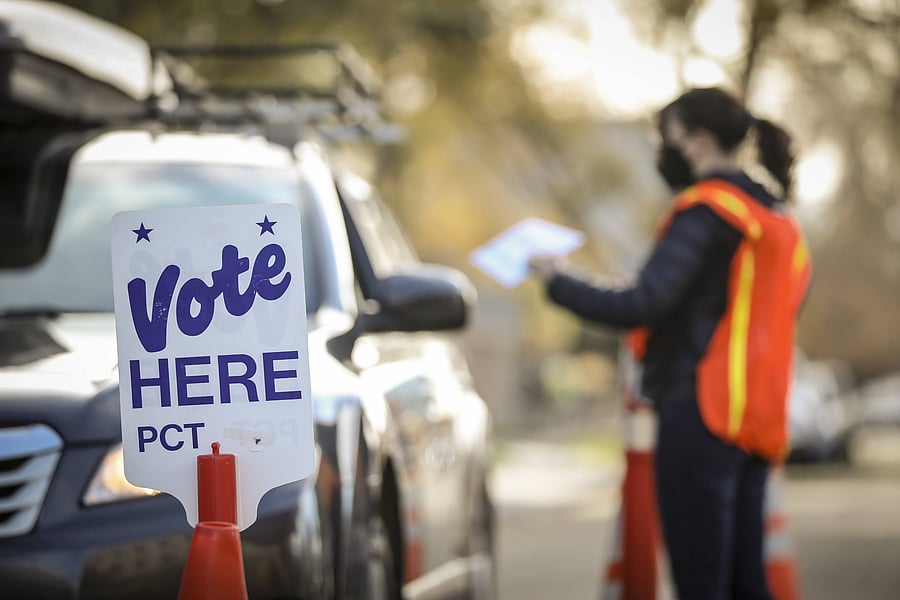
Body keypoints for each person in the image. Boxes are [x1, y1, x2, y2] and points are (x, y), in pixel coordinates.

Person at [528, 87, 811, 600]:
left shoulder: (706, 211)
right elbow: (734, 308)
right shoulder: (777, 220)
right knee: (748, 584)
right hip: (758, 422)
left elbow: (643, 305)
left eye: (666, 138)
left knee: (701, 583)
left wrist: (557, 280)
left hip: (702, 415)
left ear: (698, 141)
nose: (661, 150)